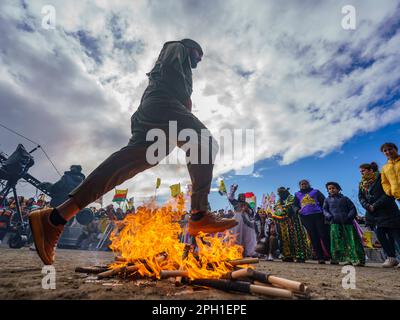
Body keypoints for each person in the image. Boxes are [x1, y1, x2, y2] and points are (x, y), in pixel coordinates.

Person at [29, 39, 237, 265]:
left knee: (128, 163)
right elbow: (169, 68)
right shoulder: (177, 47)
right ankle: (199, 214)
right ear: (191, 48)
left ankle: (55, 218)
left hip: (154, 112)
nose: (200, 59)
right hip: (162, 104)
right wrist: (185, 101)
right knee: (205, 142)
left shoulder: (185, 65)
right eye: (199, 53)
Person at [358, 162, 400, 267]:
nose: (361, 173)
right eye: (360, 172)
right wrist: (367, 205)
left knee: (395, 235)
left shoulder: (382, 177)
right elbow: (361, 197)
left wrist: (375, 205)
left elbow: (389, 193)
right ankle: (391, 258)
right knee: (380, 234)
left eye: (363, 171)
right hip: (374, 215)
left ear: (371, 170)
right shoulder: (361, 183)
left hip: (388, 212)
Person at [323, 182, 365, 266]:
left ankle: (359, 259)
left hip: (347, 224)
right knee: (337, 242)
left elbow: (352, 208)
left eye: (333, 188)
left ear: (338, 189)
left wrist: (349, 217)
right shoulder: (327, 200)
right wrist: (330, 217)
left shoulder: (345, 198)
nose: (332, 190)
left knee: (352, 241)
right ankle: (341, 259)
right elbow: (325, 210)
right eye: (329, 189)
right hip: (335, 224)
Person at [293, 180, 331, 263]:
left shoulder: (315, 192)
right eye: (302, 184)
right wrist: (297, 210)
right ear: (300, 186)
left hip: (319, 216)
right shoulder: (297, 194)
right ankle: (320, 257)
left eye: (305, 184)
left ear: (309, 184)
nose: (304, 185)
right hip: (306, 218)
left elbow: (324, 202)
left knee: (324, 235)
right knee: (314, 237)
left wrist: (325, 213)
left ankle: (331, 256)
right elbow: (294, 205)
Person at [272, 187, 311, 263]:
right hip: (283, 223)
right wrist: (279, 210)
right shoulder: (279, 201)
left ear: (286, 192)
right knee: (285, 239)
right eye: (279, 193)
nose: (280, 194)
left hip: (293, 221)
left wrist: (282, 209)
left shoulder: (292, 198)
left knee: (297, 237)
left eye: (282, 192)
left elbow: (291, 206)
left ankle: (300, 256)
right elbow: (276, 208)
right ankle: (288, 256)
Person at [228, 184, 258, 257]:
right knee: (237, 235)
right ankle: (236, 252)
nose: (242, 198)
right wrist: (233, 190)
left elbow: (252, 212)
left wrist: (247, 210)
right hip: (237, 220)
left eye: (243, 197)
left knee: (248, 236)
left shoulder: (247, 204)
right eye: (241, 196)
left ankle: (248, 252)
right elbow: (230, 197)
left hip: (246, 221)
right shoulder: (235, 202)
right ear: (238, 197)